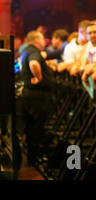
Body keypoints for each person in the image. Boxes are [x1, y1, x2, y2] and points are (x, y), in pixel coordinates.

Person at [16, 31, 56, 165]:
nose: (44, 42)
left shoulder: (25, 51)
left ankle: (30, 158)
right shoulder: (34, 51)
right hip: (37, 96)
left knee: (28, 127)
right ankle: (34, 159)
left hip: (27, 94)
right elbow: (34, 63)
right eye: (43, 39)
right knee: (36, 127)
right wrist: (39, 78)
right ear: (38, 40)